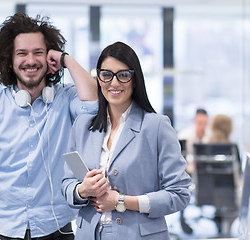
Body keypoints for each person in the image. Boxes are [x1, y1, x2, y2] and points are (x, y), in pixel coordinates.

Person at [0, 13, 98, 240]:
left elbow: (94, 102)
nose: (31, 60)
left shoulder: (66, 99)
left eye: (38, 52)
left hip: (57, 227)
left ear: (49, 58)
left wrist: (66, 59)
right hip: (4, 230)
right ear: (9, 60)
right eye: (22, 53)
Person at [61, 42, 191, 240]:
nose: (114, 83)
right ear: (98, 78)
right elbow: (67, 183)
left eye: (123, 75)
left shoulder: (156, 126)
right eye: (106, 75)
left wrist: (121, 201)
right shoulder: (82, 125)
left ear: (135, 80)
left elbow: (179, 194)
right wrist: (82, 190)